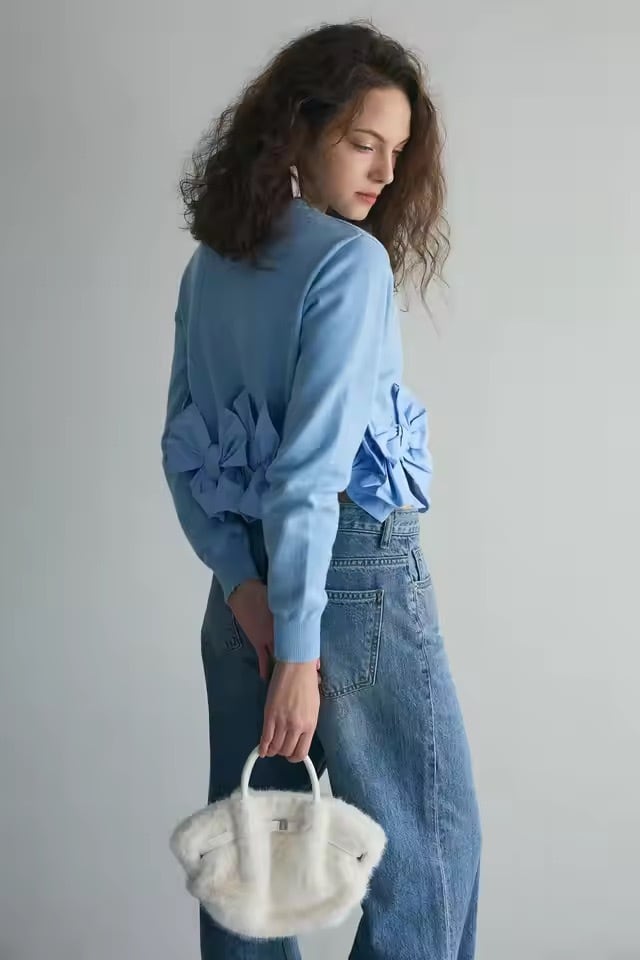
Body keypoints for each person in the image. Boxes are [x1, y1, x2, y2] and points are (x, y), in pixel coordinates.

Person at [161, 19, 481, 960]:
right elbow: (310, 474)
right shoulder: (350, 261)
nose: (385, 172)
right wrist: (298, 653)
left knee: (250, 862)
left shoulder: (210, 263)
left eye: (398, 150)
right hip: (349, 579)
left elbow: (182, 449)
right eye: (363, 142)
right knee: (431, 850)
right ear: (298, 130)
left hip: (244, 596)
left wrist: (241, 583)